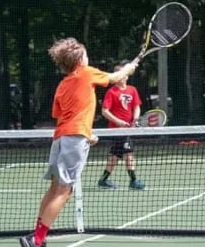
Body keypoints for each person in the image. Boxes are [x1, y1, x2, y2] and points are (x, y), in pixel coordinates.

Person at [19, 38, 138, 247]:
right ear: (81, 60)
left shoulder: (63, 84)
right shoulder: (86, 72)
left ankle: (36, 236)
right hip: (73, 138)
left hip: (61, 138)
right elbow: (116, 77)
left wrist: (87, 134)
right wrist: (129, 67)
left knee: (55, 188)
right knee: (65, 191)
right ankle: (37, 240)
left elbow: (62, 114)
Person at [97, 63, 145, 190]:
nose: (122, 77)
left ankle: (103, 180)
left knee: (115, 155)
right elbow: (105, 111)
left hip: (128, 129)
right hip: (117, 130)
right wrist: (118, 122)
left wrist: (135, 119)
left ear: (127, 76)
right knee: (129, 153)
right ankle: (133, 181)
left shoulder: (132, 90)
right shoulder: (111, 92)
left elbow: (136, 106)